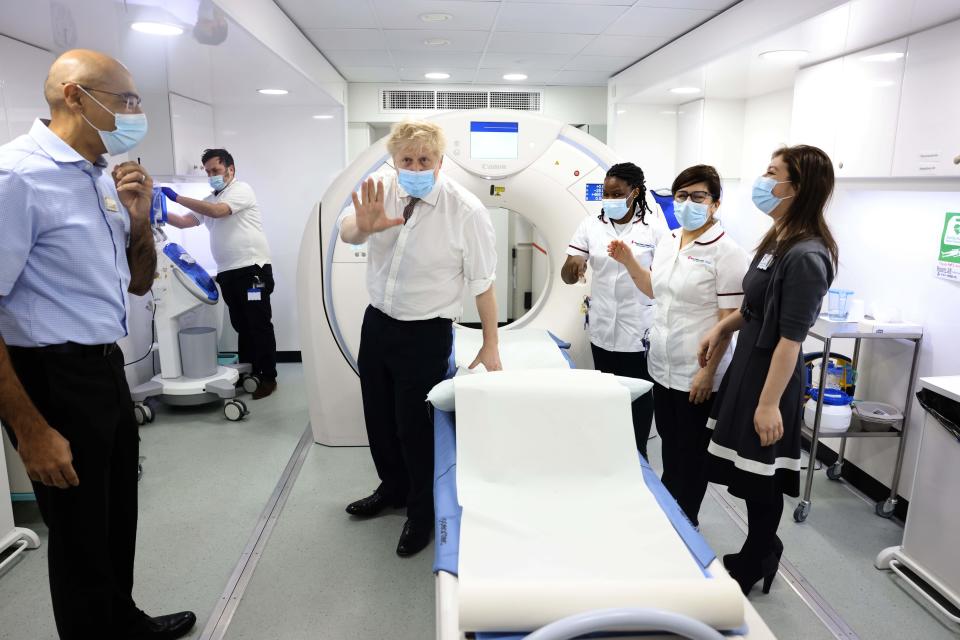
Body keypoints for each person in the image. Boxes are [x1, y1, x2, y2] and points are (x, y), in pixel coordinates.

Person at [0, 50, 195, 639]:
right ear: (75, 96)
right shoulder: (18, 177)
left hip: (104, 365)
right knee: (80, 535)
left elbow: (137, 282)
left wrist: (139, 221)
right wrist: (32, 430)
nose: (136, 113)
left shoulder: (102, 175)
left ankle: (122, 621)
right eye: (127, 100)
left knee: (115, 515)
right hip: (50, 376)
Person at [340, 121, 502, 557]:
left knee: (415, 429)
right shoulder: (380, 189)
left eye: (423, 159)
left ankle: (421, 513)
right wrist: (365, 228)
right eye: (406, 159)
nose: (414, 167)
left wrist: (491, 344)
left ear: (439, 161)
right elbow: (346, 232)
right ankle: (391, 489)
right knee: (378, 416)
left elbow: (483, 283)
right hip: (377, 323)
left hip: (426, 332)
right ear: (395, 160)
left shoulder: (465, 210)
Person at [699, 146, 837, 596]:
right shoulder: (778, 241)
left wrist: (768, 403)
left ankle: (760, 554)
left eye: (771, 173)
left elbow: (790, 339)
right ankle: (760, 547)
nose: (762, 178)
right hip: (749, 366)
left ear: (796, 188)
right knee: (748, 474)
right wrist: (721, 330)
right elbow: (757, 310)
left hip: (771, 377)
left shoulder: (807, 256)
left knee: (762, 476)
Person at [608, 165, 749, 527]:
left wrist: (708, 371)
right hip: (662, 365)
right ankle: (671, 516)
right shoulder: (670, 240)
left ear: (715, 204)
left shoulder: (727, 252)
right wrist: (628, 263)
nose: (688, 202)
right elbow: (655, 290)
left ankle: (687, 522)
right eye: (681, 196)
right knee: (670, 446)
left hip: (697, 372)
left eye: (698, 196)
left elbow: (727, 321)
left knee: (692, 455)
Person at [561, 162, 666, 458]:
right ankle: (608, 454)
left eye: (617, 193)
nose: (610, 200)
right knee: (608, 394)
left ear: (634, 193)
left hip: (639, 328)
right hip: (603, 327)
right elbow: (567, 275)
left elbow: (662, 282)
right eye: (606, 194)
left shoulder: (656, 230)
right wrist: (573, 267)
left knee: (639, 396)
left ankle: (638, 454)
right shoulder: (591, 225)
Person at [162, 149, 278, 399]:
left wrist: (177, 197)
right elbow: (184, 222)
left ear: (230, 169)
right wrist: (158, 212)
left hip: (252, 270)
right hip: (228, 273)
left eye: (215, 170)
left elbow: (217, 212)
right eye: (208, 172)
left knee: (258, 323)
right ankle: (247, 373)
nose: (211, 175)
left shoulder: (241, 190)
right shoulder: (209, 199)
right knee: (241, 325)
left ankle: (267, 377)